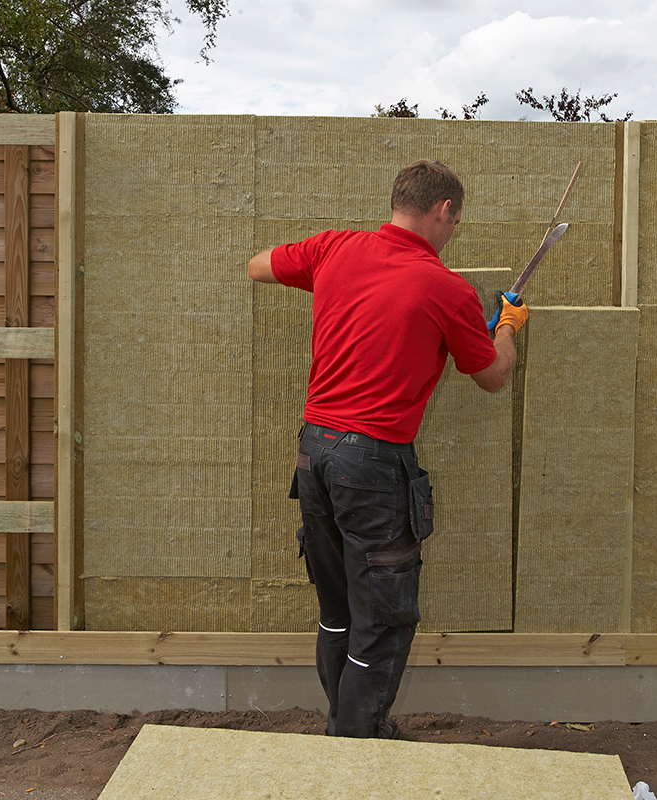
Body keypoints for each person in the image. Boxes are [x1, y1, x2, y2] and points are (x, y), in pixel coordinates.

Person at [247, 159, 528, 739]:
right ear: (442, 210)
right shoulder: (446, 289)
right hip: (370, 465)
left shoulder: (334, 249)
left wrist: (327, 277)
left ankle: (349, 728)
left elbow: (257, 267)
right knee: (383, 619)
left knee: (339, 613)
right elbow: (495, 377)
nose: (454, 233)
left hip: (314, 454)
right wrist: (507, 325)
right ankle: (355, 745)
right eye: (456, 221)